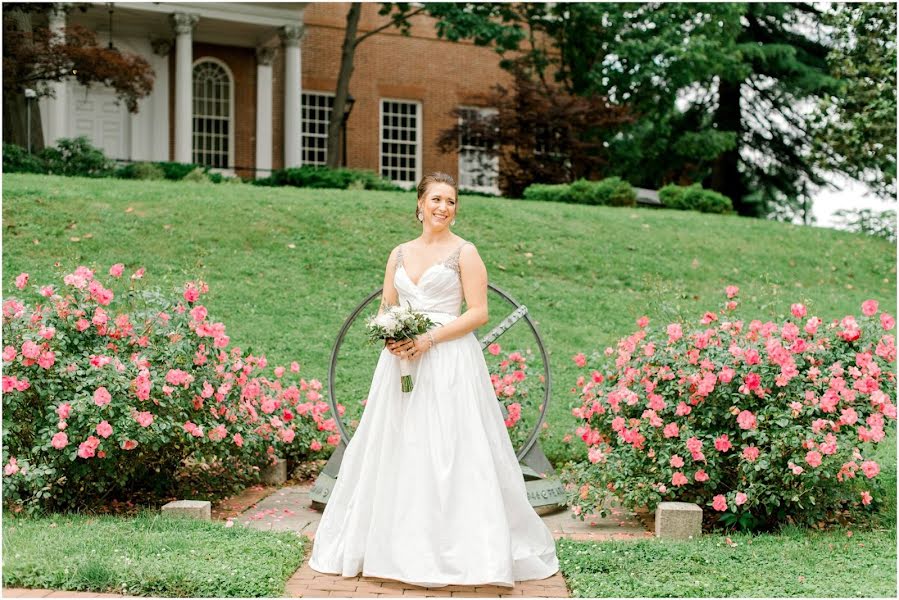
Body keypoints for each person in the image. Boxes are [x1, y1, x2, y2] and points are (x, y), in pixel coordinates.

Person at [308, 172, 559, 588]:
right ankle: (392, 545)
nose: (444, 207)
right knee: (400, 444)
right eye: (437, 199)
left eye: (452, 202)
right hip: (401, 363)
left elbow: (478, 312)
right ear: (420, 205)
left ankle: (461, 548)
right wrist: (393, 336)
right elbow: (388, 306)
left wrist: (428, 339)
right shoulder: (399, 253)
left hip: (450, 360)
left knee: (451, 446)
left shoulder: (465, 252)